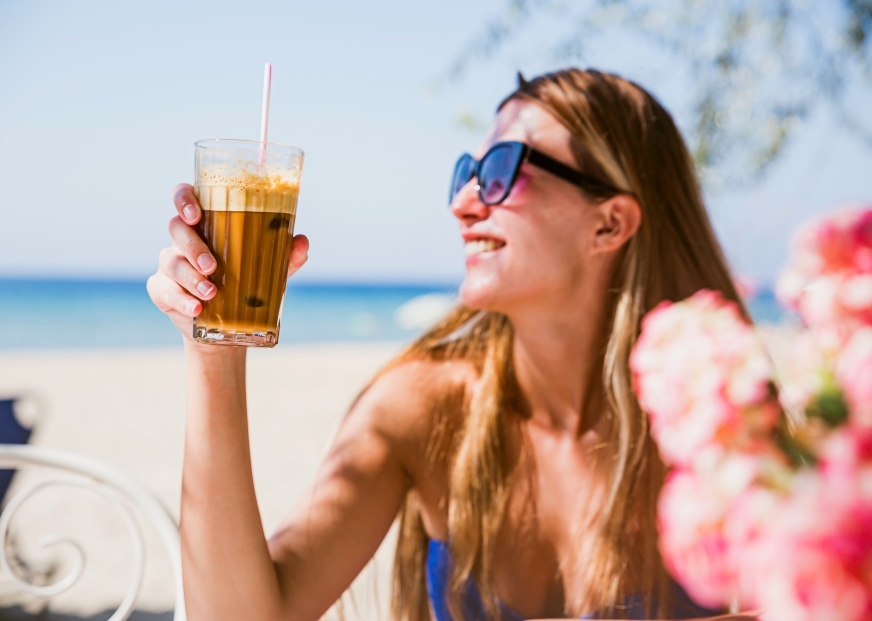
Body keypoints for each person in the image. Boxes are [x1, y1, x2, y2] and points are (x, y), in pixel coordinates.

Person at [147, 68, 759, 621]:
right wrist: (213, 352)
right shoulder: (423, 409)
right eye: (466, 174)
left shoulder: (712, 416)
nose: (462, 204)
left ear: (610, 223)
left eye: (500, 174)